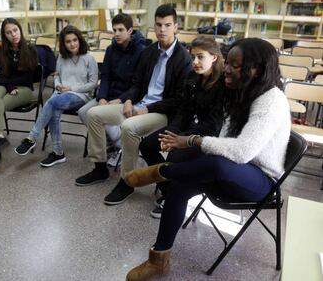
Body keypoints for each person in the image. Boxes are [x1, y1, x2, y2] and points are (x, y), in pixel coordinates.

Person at [124, 38, 291, 281]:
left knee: (214, 162)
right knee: (180, 188)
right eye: (228, 62)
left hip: (260, 180)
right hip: (231, 169)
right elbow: (224, 138)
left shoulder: (271, 100)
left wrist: (193, 140)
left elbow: (242, 152)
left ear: (257, 69)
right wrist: (194, 143)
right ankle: (158, 259)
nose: (227, 68)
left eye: (235, 65)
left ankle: (163, 172)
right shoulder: (240, 92)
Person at [75, 4, 193, 206]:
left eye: (167, 25)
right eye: (158, 25)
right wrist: (128, 99)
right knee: (93, 114)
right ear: (154, 26)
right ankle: (100, 168)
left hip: (161, 112)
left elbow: (178, 100)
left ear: (176, 27)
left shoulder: (184, 58)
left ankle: (127, 180)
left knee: (129, 128)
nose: (162, 30)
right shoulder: (149, 52)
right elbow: (137, 84)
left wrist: (146, 108)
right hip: (138, 104)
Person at [139, 36, 225, 218]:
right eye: (193, 56)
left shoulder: (222, 84)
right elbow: (184, 110)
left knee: (175, 155)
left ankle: (173, 199)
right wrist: (172, 133)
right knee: (146, 145)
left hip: (208, 138)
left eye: (200, 57)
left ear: (214, 57)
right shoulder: (193, 76)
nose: (195, 62)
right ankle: (168, 190)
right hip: (188, 130)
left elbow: (212, 126)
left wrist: (180, 140)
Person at [15, 25, 98, 167]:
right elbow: (57, 76)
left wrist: (70, 88)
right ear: (63, 44)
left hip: (81, 95)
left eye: (75, 40)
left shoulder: (89, 58)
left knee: (52, 103)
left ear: (80, 40)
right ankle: (58, 153)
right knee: (54, 109)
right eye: (68, 41)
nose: (72, 44)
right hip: (61, 94)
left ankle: (32, 137)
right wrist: (58, 85)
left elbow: (93, 83)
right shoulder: (61, 57)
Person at [77, 13, 146, 166]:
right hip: (108, 96)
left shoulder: (141, 51)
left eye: (120, 30)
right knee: (83, 112)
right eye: (114, 30)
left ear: (130, 31)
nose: (116, 34)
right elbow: (106, 76)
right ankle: (110, 143)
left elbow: (138, 84)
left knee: (99, 116)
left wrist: (119, 100)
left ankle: (119, 146)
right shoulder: (110, 49)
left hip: (128, 98)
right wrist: (102, 97)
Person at [0, 18, 38, 168]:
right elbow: (0, 76)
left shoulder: (31, 50)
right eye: (8, 32)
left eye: (15, 30)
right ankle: (0, 138)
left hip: (25, 90)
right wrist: (9, 87)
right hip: (8, 86)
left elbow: (28, 77)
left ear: (20, 29)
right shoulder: (2, 50)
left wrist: (9, 84)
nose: (13, 34)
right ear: (4, 35)